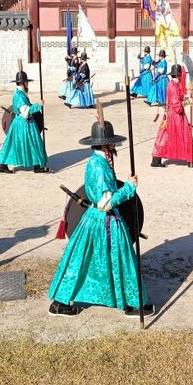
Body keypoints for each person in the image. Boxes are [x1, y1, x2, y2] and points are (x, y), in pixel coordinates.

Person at [48, 119, 152, 317]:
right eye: (112, 143)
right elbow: (106, 203)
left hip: (92, 219)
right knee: (121, 258)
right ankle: (133, 304)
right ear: (106, 144)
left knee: (81, 259)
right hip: (105, 220)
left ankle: (60, 302)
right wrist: (129, 188)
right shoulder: (99, 166)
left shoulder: (98, 161)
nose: (114, 146)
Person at [151, 64, 193, 169]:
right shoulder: (173, 87)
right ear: (178, 76)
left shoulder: (172, 85)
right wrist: (188, 101)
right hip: (175, 116)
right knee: (184, 135)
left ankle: (156, 159)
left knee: (164, 137)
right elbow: (176, 106)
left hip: (170, 115)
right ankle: (192, 160)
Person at [0, 70, 49, 174]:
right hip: (23, 124)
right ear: (22, 83)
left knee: (28, 144)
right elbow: (25, 112)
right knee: (32, 143)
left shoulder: (20, 93)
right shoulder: (19, 95)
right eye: (26, 82)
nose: (27, 84)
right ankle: (3, 166)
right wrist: (38, 105)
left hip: (23, 123)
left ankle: (37, 166)